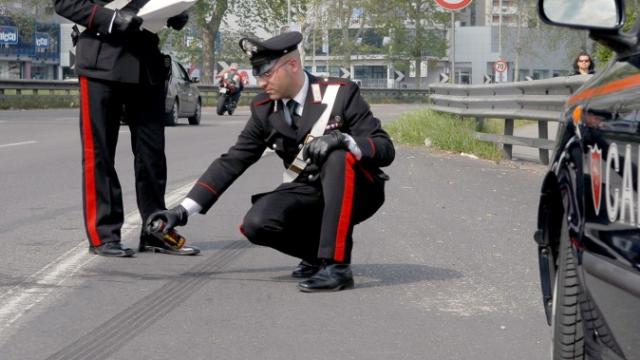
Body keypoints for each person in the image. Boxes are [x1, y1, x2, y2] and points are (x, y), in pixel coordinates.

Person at [147, 31, 395, 292]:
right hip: (309, 191)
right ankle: (316, 256)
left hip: (358, 191)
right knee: (256, 224)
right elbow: (233, 160)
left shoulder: (340, 94)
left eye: (267, 74)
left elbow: (384, 148)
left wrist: (343, 139)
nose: (261, 82)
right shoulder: (264, 109)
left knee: (337, 156)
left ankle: (337, 266)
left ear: (293, 65)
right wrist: (181, 211)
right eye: (258, 75)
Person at [54, 1, 199, 257]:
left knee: (152, 155)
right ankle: (104, 235)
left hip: (146, 65)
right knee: (100, 154)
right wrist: (111, 18)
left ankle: (155, 229)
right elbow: (65, 3)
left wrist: (174, 14)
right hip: (101, 62)